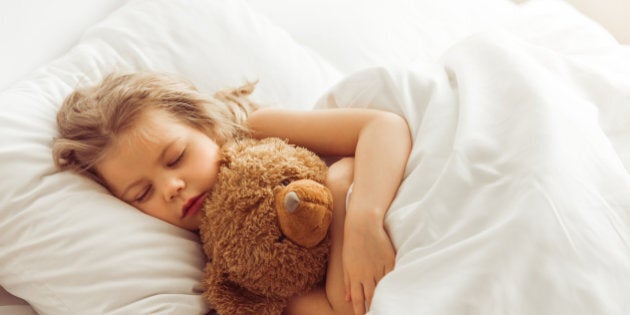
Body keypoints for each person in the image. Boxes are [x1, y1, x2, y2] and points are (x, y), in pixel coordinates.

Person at [52, 72, 411, 315]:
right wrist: (340, 199)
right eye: (142, 193)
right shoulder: (233, 266)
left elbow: (382, 126)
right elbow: (343, 309)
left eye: (177, 157)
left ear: (206, 126)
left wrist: (365, 219)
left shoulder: (257, 130)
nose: (171, 187)